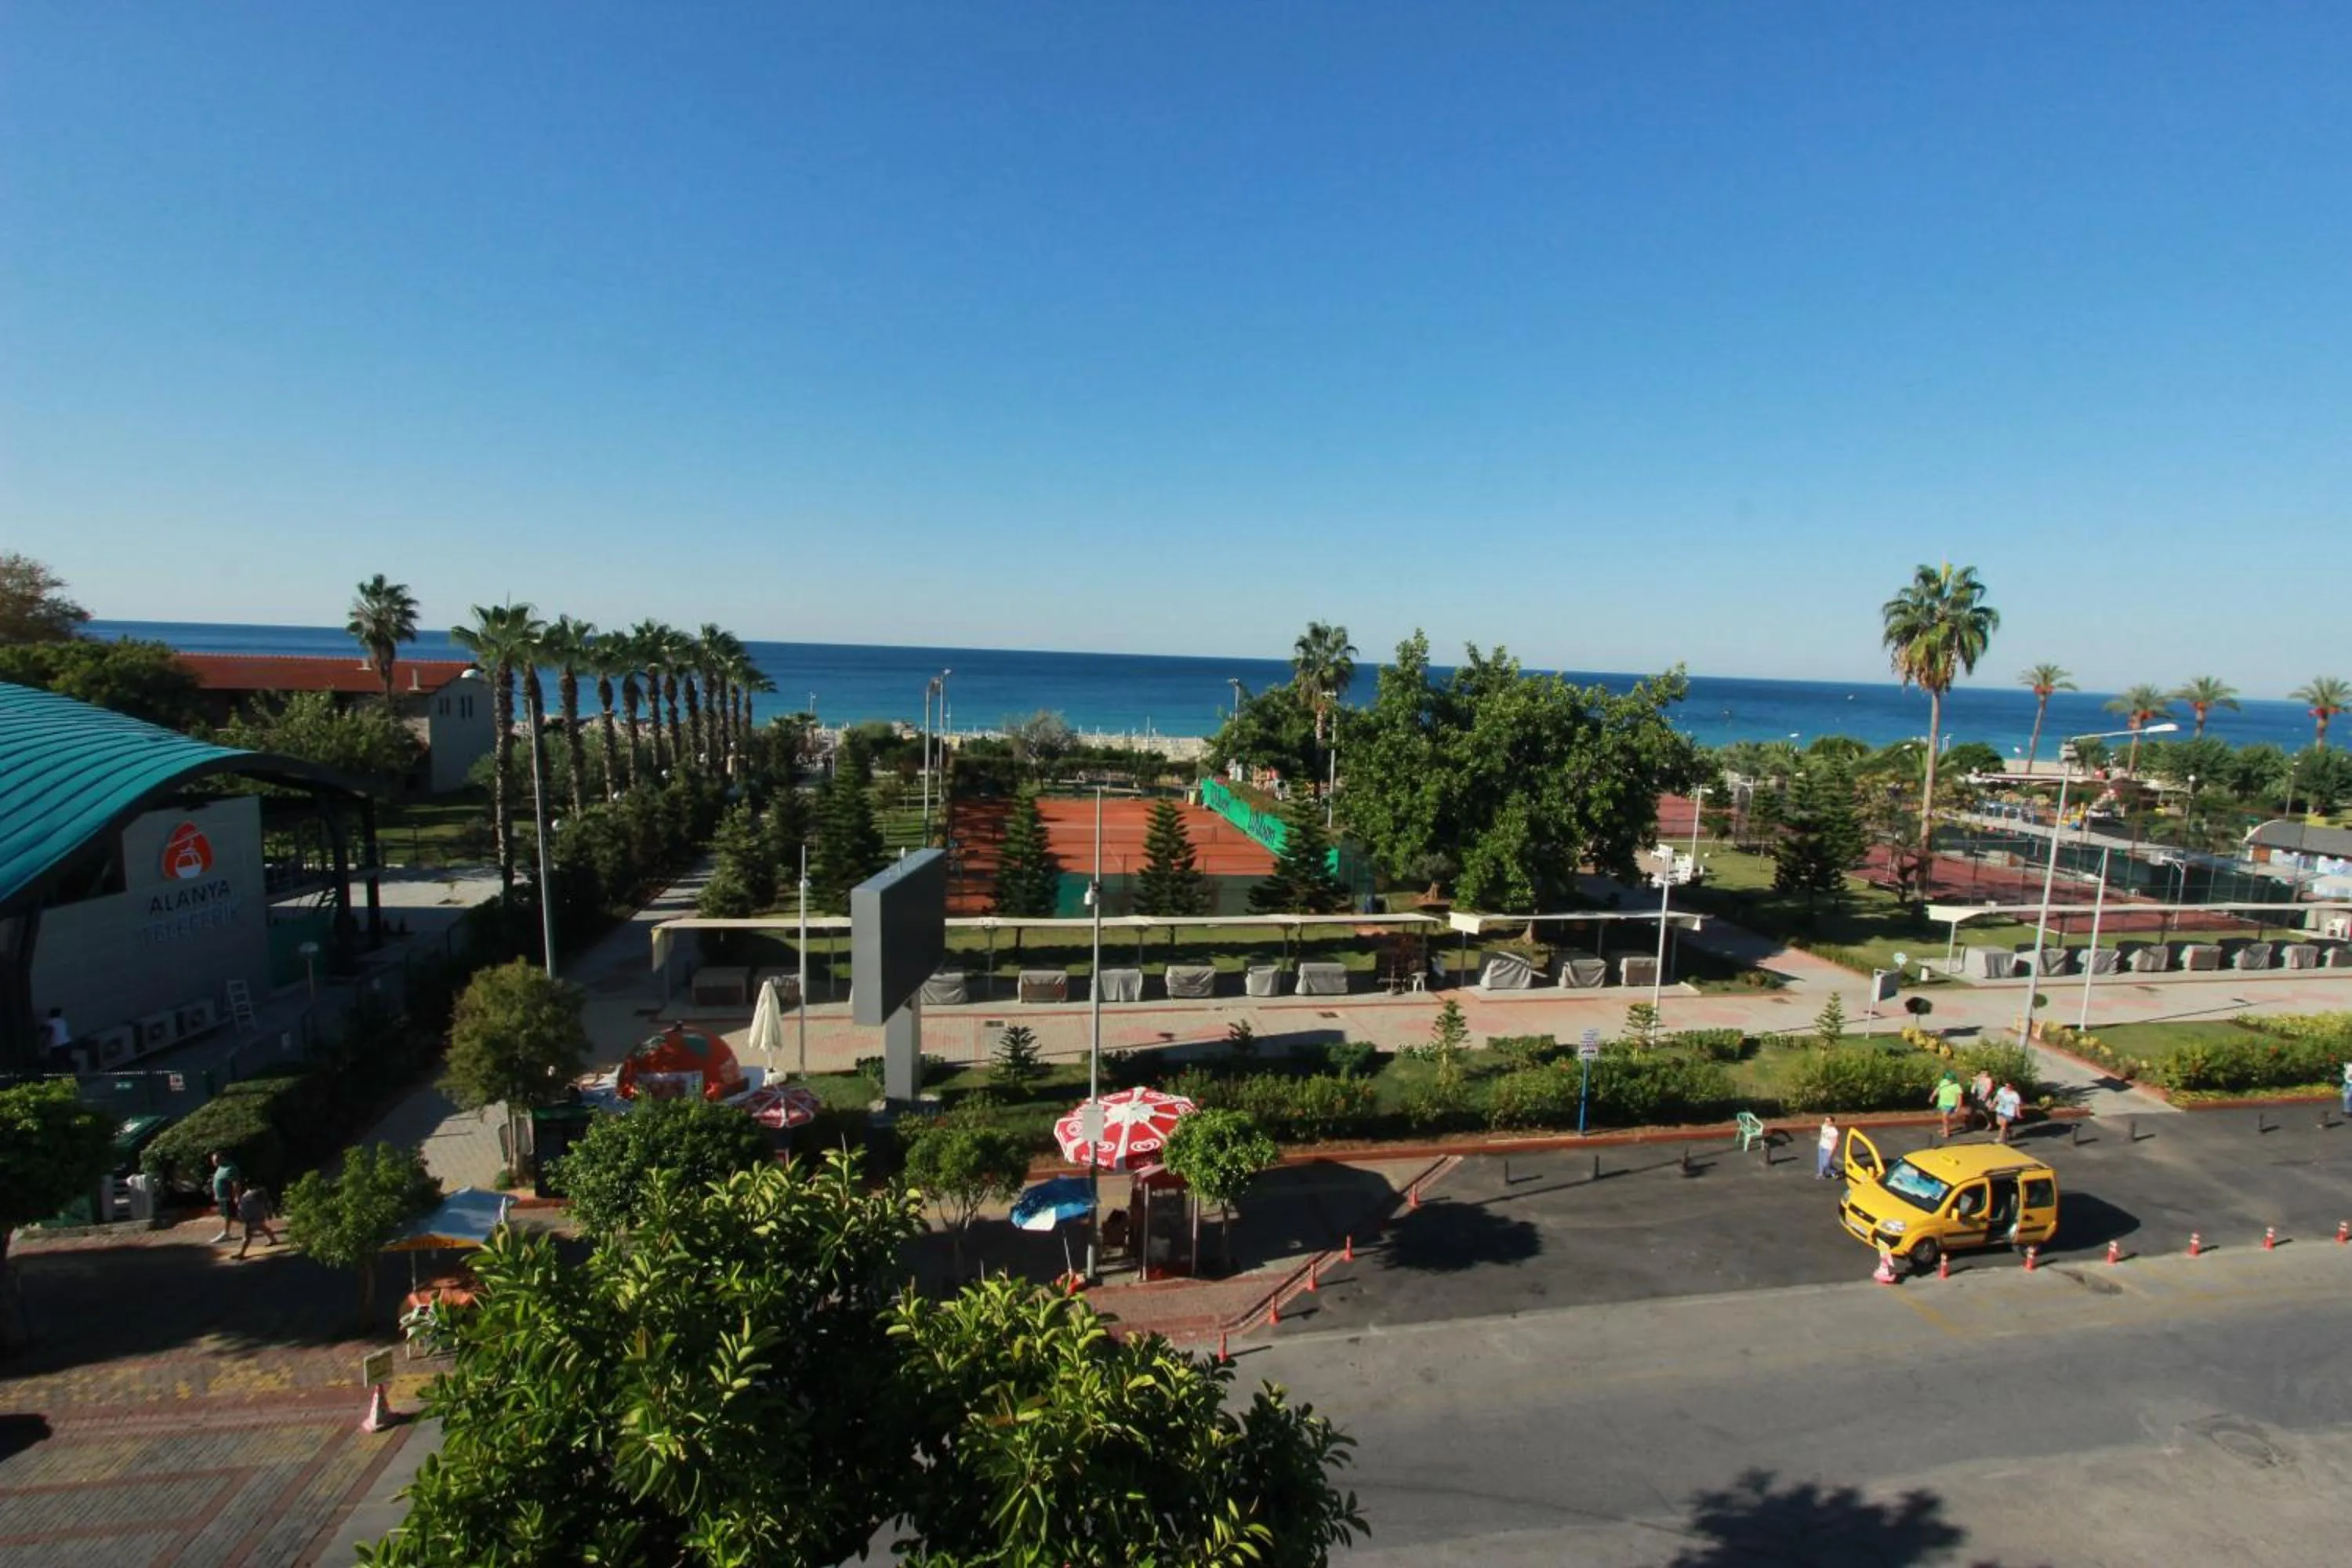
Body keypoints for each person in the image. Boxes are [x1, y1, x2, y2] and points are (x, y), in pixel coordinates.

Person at [234, 1181, 280, 1258]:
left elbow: (244, 1208)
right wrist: (269, 1213)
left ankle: (241, 1253)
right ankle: (273, 1240)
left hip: (252, 1219)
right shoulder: (256, 1194)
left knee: (247, 1236)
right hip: (257, 1217)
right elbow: (268, 1204)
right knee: (263, 1228)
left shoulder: (251, 1195)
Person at [209, 1152, 241, 1243]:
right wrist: (216, 1194)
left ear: (222, 1158)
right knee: (228, 1216)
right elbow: (216, 1180)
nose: (214, 1163)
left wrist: (237, 1196)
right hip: (221, 1197)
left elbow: (236, 1183)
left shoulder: (231, 1168)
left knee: (229, 1216)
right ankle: (255, 1225)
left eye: (216, 1161)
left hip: (228, 1197)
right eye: (214, 1161)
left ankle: (225, 1233)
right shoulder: (220, 1167)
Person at [1933, 1073, 1964, 1139]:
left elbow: (1960, 1097)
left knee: (1945, 1118)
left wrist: (1958, 1107)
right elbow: (1938, 1089)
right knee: (1944, 1118)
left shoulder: (1956, 1086)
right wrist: (1932, 1096)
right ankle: (1945, 1129)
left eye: (1951, 1080)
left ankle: (1946, 1133)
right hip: (1942, 1103)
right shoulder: (1943, 1082)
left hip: (1950, 1104)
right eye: (1948, 1080)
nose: (1950, 1081)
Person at [1992, 1081, 2024, 1145]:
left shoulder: (2015, 1095)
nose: (2007, 1088)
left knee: (2003, 1125)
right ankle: (2010, 1131)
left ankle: (2001, 1139)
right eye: (2006, 1086)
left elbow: (2017, 1105)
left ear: (2013, 1087)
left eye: (2009, 1087)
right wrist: (1993, 1104)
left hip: (2009, 1112)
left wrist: (2018, 1113)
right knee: (1999, 1123)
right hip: (2000, 1110)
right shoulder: (2001, 1090)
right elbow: (1997, 1097)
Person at [43, 1007, 73, 1071]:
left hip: (57, 1045)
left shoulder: (50, 1022)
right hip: (67, 1043)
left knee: (56, 1062)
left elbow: (49, 1032)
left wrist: (44, 1042)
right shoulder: (63, 1021)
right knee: (66, 1061)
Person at [1817, 1116, 1840, 1180]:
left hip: (1828, 1148)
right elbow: (1822, 1134)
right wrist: (1819, 1143)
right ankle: (1822, 1174)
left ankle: (1834, 1172)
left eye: (1827, 1121)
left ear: (1832, 1122)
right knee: (1821, 1162)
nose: (1825, 1122)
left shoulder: (1834, 1131)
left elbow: (1835, 1143)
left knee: (1826, 1163)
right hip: (1822, 1146)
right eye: (1825, 1121)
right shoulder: (1824, 1126)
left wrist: (1831, 1152)